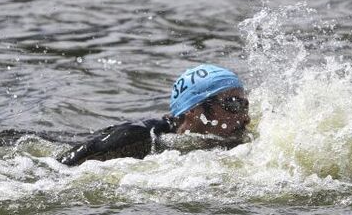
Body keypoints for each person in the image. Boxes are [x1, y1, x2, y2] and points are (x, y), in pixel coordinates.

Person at [58, 64, 250, 166]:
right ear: (193, 109)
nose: (246, 117)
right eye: (233, 105)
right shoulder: (138, 137)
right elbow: (59, 167)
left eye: (245, 105)